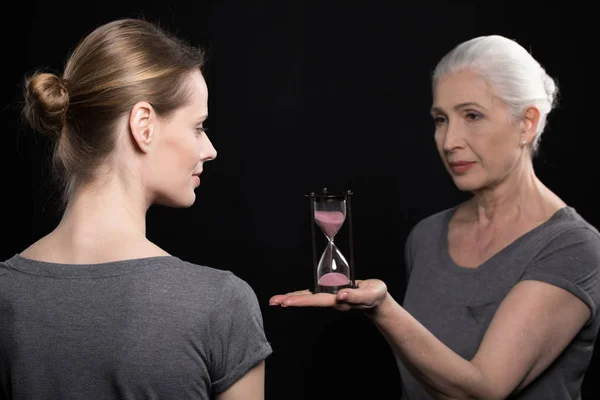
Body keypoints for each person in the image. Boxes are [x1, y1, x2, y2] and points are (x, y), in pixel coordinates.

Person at [270, 34, 600, 399]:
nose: (448, 141)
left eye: (472, 116)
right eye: (441, 119)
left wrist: (382, 308)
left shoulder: (574, 247)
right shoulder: (427, 236)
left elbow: (483, 391)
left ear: (527, 123)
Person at [0, 18, 272, 400]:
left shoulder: (6, 292)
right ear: (143, 125)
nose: (209, 150)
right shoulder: (218, 304)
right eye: (198, 127)